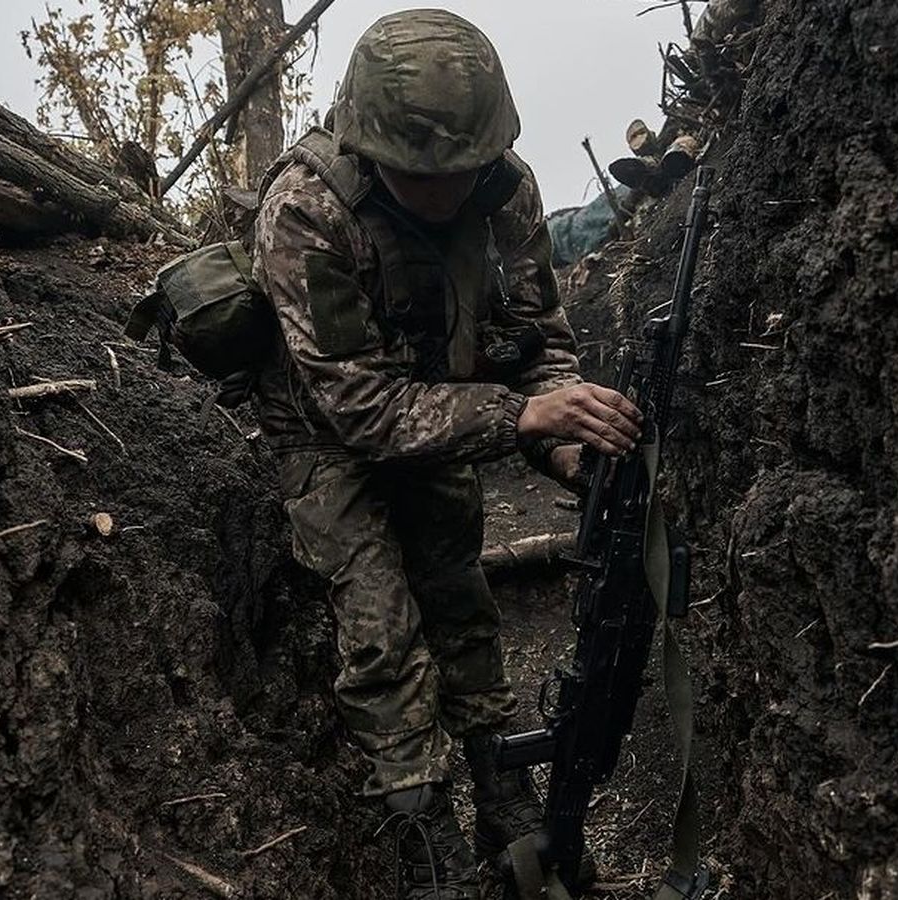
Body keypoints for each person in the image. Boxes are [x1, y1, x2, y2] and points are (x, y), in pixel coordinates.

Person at [250, 9, 641, 899]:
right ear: (369, 145)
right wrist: (522, 419)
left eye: (463, 169)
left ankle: (513, 818)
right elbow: (358, 410)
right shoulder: (306, 209)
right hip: (329, 436)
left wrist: (569, 452)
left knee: (463, 612)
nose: (448, 192)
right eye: (423, 174)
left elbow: (541, 341)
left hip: (444, 409)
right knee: (383, 638)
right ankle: (425, 852)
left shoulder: (507, 190)